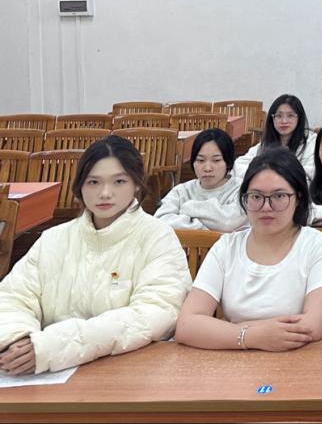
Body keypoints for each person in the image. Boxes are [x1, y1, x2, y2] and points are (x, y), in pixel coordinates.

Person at [0, 136, 191, 374]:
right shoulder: (53, 239)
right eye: (93, 182)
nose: (105, 193)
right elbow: (12, 297)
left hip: (130, 372)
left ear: (137, 184)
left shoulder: (158, 237)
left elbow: (154, 314)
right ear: (80, 186)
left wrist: (52, 346)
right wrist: (17, 338)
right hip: (49, 373)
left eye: (119, 181)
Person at [174, 147, 322, 352]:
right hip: (236, 359)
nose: (266, 207)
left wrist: (230, 329)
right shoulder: (226, 247)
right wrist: (253, 337)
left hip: (302, 358)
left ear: (298, 198)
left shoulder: (319, 245)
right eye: (256, 197)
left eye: (279, 196)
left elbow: (313, 326)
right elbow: (187, 326)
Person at [155, 128, 248, 231]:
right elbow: (160, 221)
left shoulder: (242, 191)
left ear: (228, 162)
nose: (207, 168)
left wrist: (188, 208)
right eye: (200, 160)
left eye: (216, 160)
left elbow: (228, 222)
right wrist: (204, 228)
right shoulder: (181, 191)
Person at [234, 94, 316, 181]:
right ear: (272, 119)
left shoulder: (311, 143)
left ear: (299, 118)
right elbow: (239, 165)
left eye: (290, 116)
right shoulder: (265, 144)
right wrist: (265, 175)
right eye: (279, 116)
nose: (284, 121)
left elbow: (310, 173)